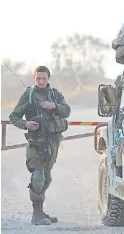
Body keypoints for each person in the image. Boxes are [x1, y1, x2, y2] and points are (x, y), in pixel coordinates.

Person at [9, 66, 71, 225]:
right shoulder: (28, 95)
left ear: (48, 78)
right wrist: (26, 124)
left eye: (44, 78)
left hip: (52, 142)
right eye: (38, 79)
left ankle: (40, 211)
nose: (41, 81)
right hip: (36, 142)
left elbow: (67, 111)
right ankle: (36, 215)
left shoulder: (55, 95)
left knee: (47, 178)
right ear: (34, 78)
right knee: (38, 178)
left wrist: (54, 106)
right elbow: (14, 116)